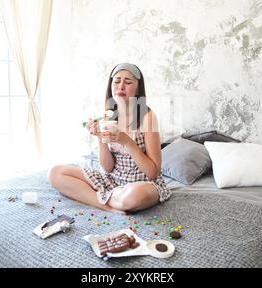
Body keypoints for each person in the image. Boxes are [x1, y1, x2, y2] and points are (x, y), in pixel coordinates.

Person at [47, 63, 171, 214]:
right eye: (117, 81)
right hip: (113, 181)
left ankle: (108, 198)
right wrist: (100, 137)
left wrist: (126, 140)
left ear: (138, 88)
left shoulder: (147, 117)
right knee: (55, 173)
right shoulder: (108, 115)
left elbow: (153, 172)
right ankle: (106, 205)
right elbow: (107, 168)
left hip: (143, 183)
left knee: (132, 196)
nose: (121, 86)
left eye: (128, 82)